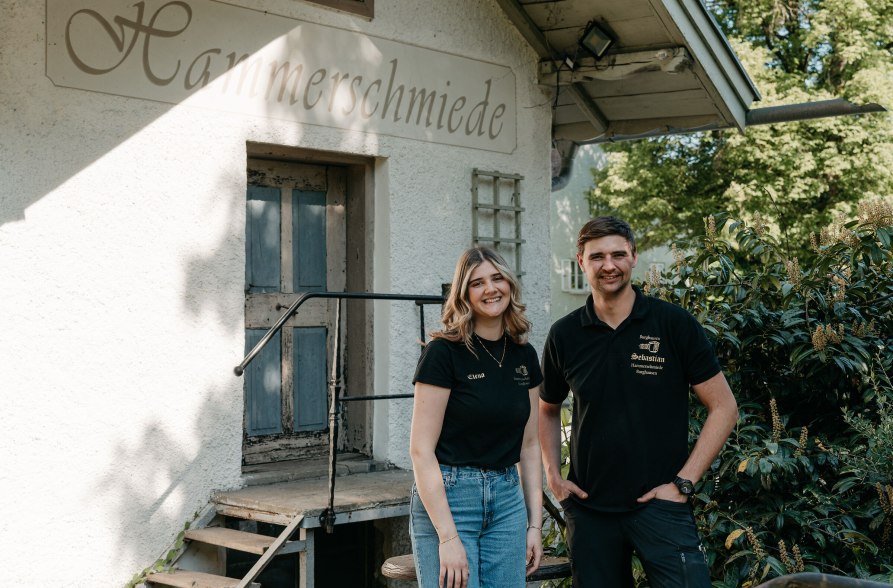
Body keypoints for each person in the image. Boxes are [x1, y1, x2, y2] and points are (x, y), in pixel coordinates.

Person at [539, 217, 738, 587]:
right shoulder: (564, 335)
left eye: (618, 254)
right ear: (581, 261)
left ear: (633, 256)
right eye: (597, 256)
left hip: (661, 504)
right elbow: (548, 408)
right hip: (590, 510)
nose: (608, 265)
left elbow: (724, 408)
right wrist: (554, 475)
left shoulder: (673, 325)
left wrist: (684, 483)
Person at [409, 246, 544, 588]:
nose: (490, 289)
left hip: (508, 502)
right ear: (464, 294)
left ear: (510, 285)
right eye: (477, 283)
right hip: (452, 499)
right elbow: (421, 451)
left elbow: (530, 446)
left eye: (497, 278)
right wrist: (448, 537)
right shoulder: (442, 353)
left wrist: (534, 525)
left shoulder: (524, 356)